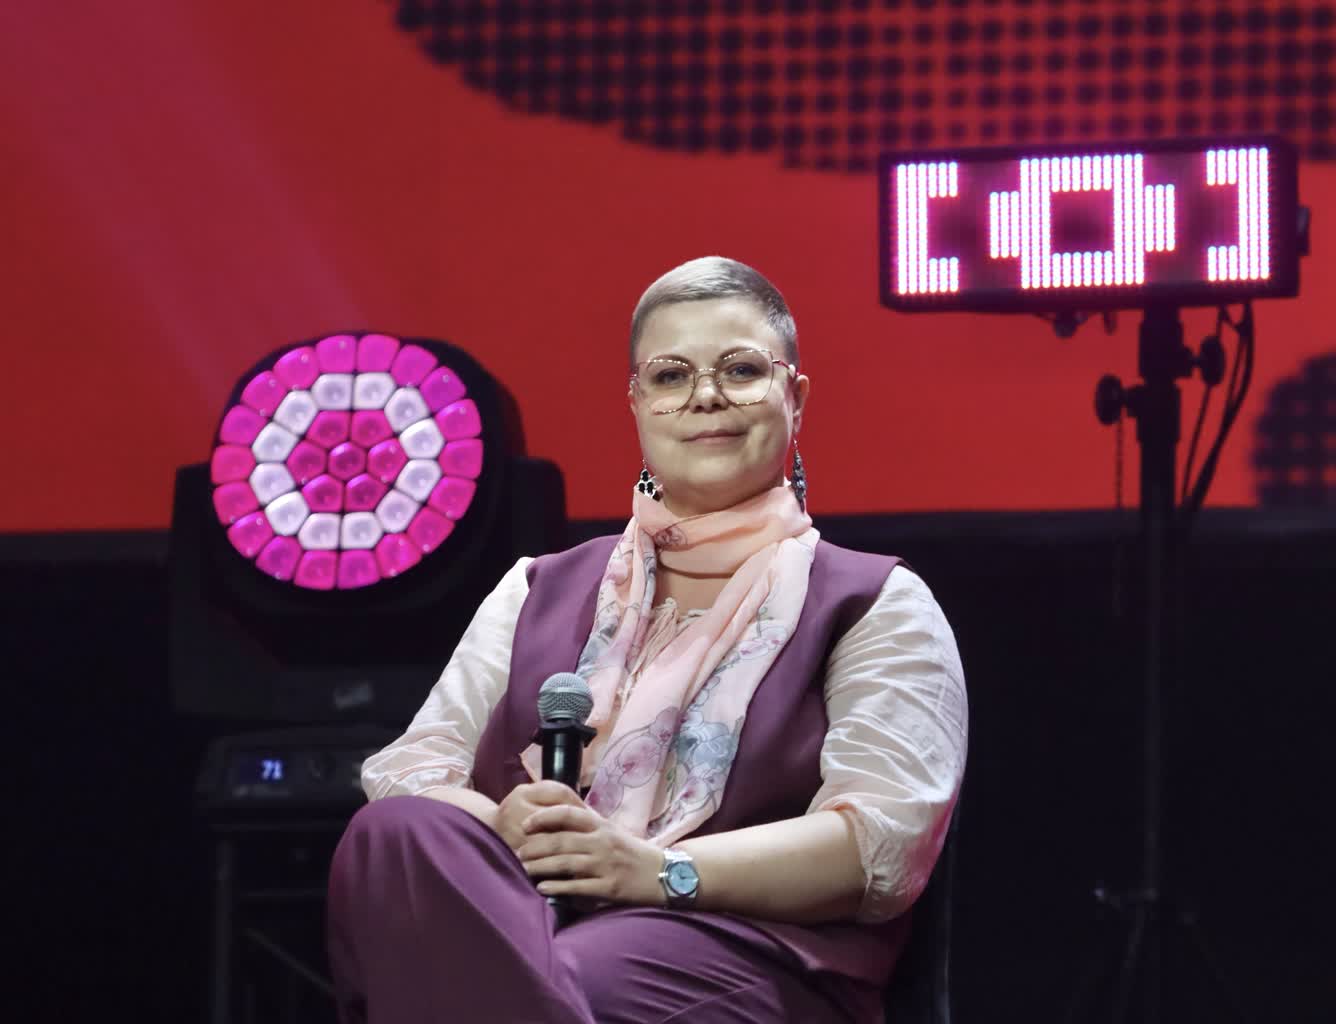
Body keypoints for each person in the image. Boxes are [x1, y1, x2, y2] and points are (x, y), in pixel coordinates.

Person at [326, 256, 968, 1023]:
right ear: (636, 404)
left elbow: (882, 845)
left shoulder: (873, 600)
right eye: (670, 376)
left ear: (795, 397)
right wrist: (506, 827)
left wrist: (657, 870)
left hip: (747, 956)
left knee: (556, 977)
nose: (706, 396)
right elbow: (410, 768)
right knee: (397, 832)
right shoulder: (536, 588)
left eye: (741, 370)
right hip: (521, 926)